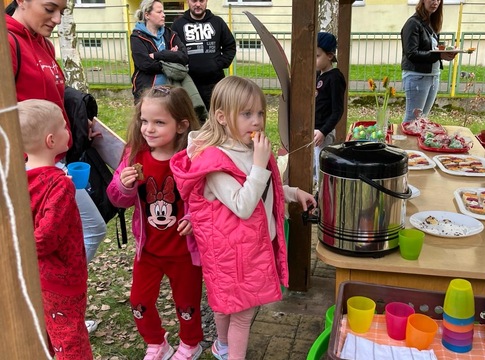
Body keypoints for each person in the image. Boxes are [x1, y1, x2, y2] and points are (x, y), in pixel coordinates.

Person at [170, 76, 317, 360]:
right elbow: (243, 205)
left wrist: (292, 192)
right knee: (242, 313)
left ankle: (222, 346)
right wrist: (260, 164)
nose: (257, 121)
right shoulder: (213, 161)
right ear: (222, 117)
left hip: (246, 249)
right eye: (247, 114)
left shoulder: (248, 149)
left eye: (260, 112)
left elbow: (261, 189)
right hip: (232, 254)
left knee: (227, 305)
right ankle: (229, 351)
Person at [6, 0, 107, 266]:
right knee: (82, 231)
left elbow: (53, 98)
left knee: (82, 232)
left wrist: (73, 123)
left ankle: (52, 292)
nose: (58, 19)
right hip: (28, 171)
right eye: (50, 9)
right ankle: (49, 292)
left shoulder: (44, 43)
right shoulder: (8, 43)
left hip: (55, 163)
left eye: (62, 11)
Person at [106, 85, 204, 360]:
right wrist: (124, 187)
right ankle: (157, 343)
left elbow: (208, 199)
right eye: (144, 121)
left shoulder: (192, 159)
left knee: (186, 304)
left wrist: (194, 218)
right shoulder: (133, 156)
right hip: (148, 252)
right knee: (138, 301)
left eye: (159, 122)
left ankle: (190, 343)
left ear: (182, 125)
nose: (148, 129)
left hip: (184, 254)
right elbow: (116, 199)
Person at [19, 99, 93, 360]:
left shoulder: (18, 178)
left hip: (36, 277)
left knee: (50, 332)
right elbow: (44, 239)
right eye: (64, 126)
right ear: (51, 140)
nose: (68, 130)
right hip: (62, 278)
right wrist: (62, 190)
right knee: (71, 338)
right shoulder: (59, 186)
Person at [171, 0, 237, 112]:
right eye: (194, 1)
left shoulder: (217, 22)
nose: (198, 4)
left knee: (219, 118)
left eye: (201, 1)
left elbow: (230, 46)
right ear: (188, 1)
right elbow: (172, 51)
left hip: (215, 83)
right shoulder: (178, 24)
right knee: (193, 120)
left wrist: (218, 64)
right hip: (189, 84)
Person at [401, 0, 456, 123]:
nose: (435, 2)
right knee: (412, 120)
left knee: (422, 120)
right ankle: (402, 143)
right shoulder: (413, 23)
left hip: (433, 76)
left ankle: (416, 143)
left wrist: (445, 55)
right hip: (417, 77)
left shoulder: (431, 23)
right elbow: (411, 54)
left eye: (438, 0)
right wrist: (438, 56)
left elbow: (433, 51)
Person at [130, 0, 189, 101]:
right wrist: (171, 58)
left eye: (163, 12)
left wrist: (159, 55)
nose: (164, 15)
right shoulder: (137, 37)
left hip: (171, 92)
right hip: (147, 92)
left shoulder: (170, 34)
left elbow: (184, 57)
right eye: (159, 12)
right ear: (147, 15)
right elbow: (145, 64)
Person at [313, 32, 346, 189]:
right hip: (314, 132)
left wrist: (324, 131)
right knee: (314, 168)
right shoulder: (319, 74)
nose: (314, 59)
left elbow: (337, 111)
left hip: (323, 135)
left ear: (330, 55)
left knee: (322, 171)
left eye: (317, 55)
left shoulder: (335, 78)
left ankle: (324, 197)